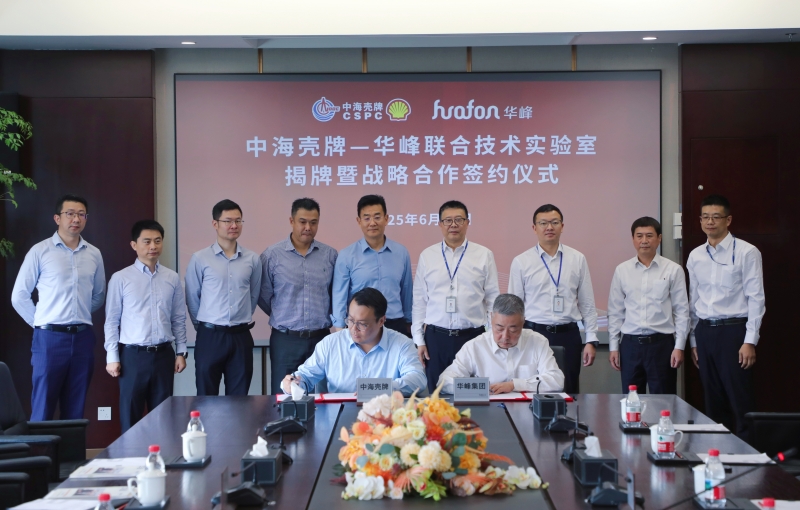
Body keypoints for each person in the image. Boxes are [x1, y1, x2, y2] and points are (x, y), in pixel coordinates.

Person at [11, 194, 105, 420]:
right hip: (49, 338)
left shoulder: (94, 254)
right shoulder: (40, 251)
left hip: (82, 337)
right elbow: (19, 296)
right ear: (57, 218)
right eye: (70, 214)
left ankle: (72, 447)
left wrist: (78, 313)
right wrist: (41, 322)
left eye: (81, 214)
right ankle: (41, 447)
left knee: (76, 409)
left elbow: (99, 295)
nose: (76, 219)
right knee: (43, 406)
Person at [687, 195, 764, 442]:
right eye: (705, 217)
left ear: (728, 220)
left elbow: (756, 299)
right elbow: (693, 301)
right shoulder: (695, 255)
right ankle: (718, 453)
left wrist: (749, 341)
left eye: (716, 217)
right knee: (713, 400)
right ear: (700, 220)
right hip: (705, 332)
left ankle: (749, 456)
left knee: (740, 399)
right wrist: (694, 341)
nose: (710, 222)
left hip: (734, 332)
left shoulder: (747, 252)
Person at [104, 220, 187, 432]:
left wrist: (181, 352)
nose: (153, 246)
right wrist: (112, 357)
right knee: (130, 416)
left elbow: (178, 318)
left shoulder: (172, 278)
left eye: (158, 241)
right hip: (133, 356)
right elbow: (112, 320)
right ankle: (130, 455)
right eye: (147, 241)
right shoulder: (121, 278)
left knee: (163, 418)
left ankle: (160, 454)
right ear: (134, 245)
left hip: (163, 355)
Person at [508, 204, 598, 394]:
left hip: (568, 335)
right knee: (532, 389)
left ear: (562, 226)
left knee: (568, 390)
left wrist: (591, 339)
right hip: (533, 334)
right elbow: (514, 307)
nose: (549, 227)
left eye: (554, 222)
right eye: (543, 223)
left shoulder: (577, 259)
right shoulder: (521, 261)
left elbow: (587, 304)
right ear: (534, 228)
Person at [412, 200, 499, 392]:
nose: (453, 225)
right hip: (436, 339)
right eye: (448, 220)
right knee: (437, 395)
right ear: (440, 224)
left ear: (467, 222)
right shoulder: (427, 255)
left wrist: (492, 337)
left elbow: (493, 299)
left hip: (472, 337)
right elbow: (419, 301)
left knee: (471, 395)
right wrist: (419, 340)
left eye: (459, 219)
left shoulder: (484, 255)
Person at [281, 288, 426, 395]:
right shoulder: (330, 344)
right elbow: (306, 376)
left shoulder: (402, 344)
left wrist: (380, 388)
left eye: (362, 324)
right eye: (350, 320)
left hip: (385, 415)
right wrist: (293, 383)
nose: (353, 329)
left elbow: (417, 378)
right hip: (338, 415)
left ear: (381, 321)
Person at [259, 198, 337, 394]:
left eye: (313, 222)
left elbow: (335, 296)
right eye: (302, 221)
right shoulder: (272, 255)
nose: (308, 227)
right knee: (284, 397)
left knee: (322, 397)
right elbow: (264, 295)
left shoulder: (330, 255)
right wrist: (284, 314)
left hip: (321, 339)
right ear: (291, 221)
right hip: (286, 340)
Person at [185, 199, 262, 396]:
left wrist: (240, 317)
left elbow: (253, 295)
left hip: (241, 335)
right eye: (228, 221)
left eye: (238, 221)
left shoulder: (252, 259)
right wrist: (203, 326)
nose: (234, 225)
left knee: (239, 399)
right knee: (206, 396)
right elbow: (192, 297)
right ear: (215, 223)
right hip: (210, 336)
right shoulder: (200, 258)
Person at [607, 217, 690, 395]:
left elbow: (682, 312)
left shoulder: (673, 270)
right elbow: (615, 312)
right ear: (633, 239)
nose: (644, 240)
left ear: (659, 238)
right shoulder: (622, 270)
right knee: (631, 401)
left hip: (661, 345)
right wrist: (614, 347)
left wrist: (679, 347)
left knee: (664, 400)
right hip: (630, 346)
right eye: (639, 236)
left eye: (649, 235)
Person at [438, 294, 564, 395]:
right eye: (499, 328)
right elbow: (444, 382)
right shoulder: (474, 346)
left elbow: (557, 380)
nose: (505, 337)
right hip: (488, 412)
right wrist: (479, 388)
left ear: (523, 322)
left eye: (513, 330)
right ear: (491, 318)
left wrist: (515, 385)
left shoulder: (537, 342)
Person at [332, 195, 413, 337]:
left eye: (377, 217)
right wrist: (339, 330)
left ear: (386, 219)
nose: (372, 223)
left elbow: (407, 291)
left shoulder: (401, 252)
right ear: (359, 221)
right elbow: (340, 295)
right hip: (361, 326)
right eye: (367, 218)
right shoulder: (347, 255)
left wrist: (409, 322)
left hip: (395, 325)